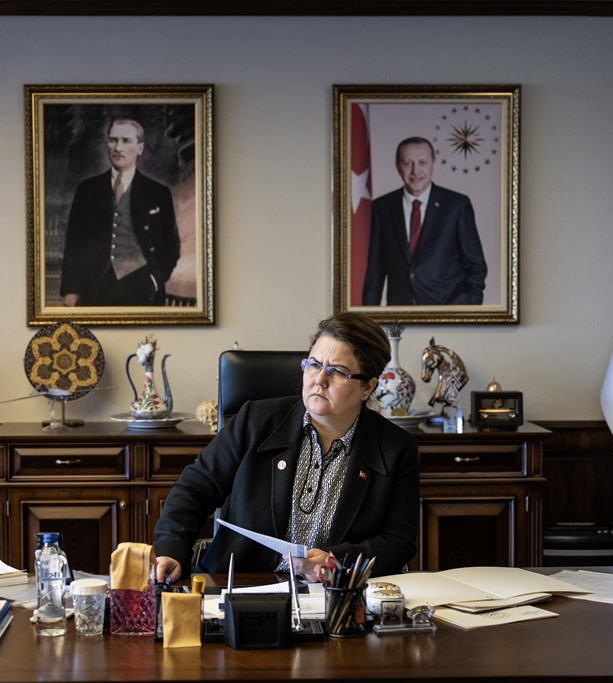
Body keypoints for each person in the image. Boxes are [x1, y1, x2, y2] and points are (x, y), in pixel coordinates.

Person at [152, 312, 420, 583]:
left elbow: (398, 541)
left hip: (334, 593)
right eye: (314, 365)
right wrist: (171, 551)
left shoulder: (395, 448)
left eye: (337, 371)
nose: (319, 380)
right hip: (243, 585)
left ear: (368, 387)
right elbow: (194, 489)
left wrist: (336, 561)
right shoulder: (256, 421)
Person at [59, 118, 180, 307]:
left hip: (143, 292)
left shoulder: (158, 193)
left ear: (140, 148)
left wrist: (154, 281)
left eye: (126, 141)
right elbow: (74, 243)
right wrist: (71, 289)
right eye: (113, 140)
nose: (118, 148)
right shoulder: (87, 189)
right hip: (94, 289)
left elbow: (170, 247)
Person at [362, 136, 487, 306]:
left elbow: (476, 266)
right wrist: (367, 319)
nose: (415, 171)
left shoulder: (456, 206)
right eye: (407, 163)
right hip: (400, 314)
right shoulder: (381, 208)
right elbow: (375, 272)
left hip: (447, 310)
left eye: (422, 162)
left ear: (433, 163)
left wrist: (465, 309)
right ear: (398, 167)